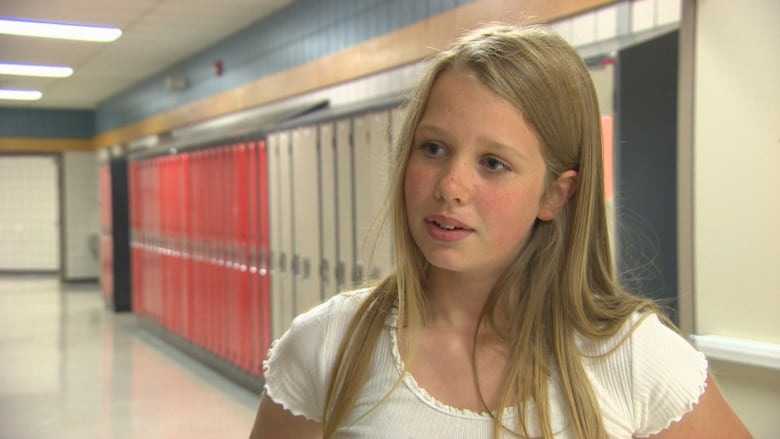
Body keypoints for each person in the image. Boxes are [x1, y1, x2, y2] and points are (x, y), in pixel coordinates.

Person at [249, 24, 751, 438]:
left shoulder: (632, 358)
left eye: (493, 163)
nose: (450, 185)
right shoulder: (329, 344)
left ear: (557, 193)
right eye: (433, 148)